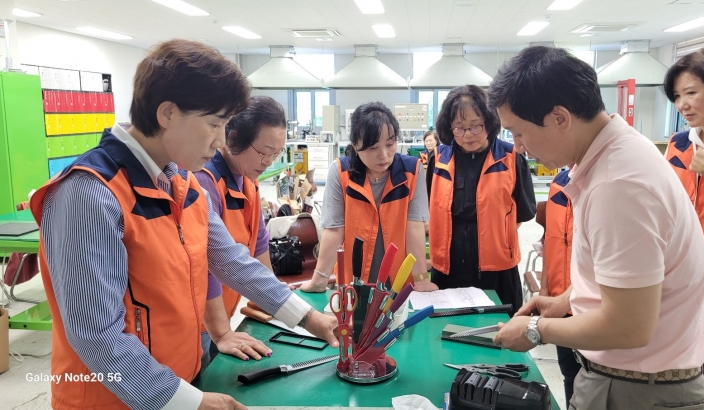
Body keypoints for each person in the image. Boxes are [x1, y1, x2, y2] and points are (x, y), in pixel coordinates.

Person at [29, 39, 338, 410]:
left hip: (177, 383)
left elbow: (232, 262)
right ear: (167, 113)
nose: (221, 141)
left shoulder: (184, 186)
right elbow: (96, 335)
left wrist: (311, 319)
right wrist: (188, 401)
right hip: (113, 400)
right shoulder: (89, 195)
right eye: (214, 124)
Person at [490, 46, 704, 410]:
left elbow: (629, 326)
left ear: (560, 118)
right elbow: (629, 273)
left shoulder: (618, 184)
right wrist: (567, 300)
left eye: (519, 133)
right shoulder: (614, 154)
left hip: (638, 392)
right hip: (635, 382)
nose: (519, 148)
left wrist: (536, 330)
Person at [193, 96, 288, 373]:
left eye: (276, 154)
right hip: (201, 320)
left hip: (224, 313)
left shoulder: (248, 178)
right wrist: (221, 332)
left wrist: (271, 296)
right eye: (264, 152)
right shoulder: (205, 181)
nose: (269, 162)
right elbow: (208, 261)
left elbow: (259, 242)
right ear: (233, 138)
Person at [299, 101, 436, 292]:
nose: (384, 155)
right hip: (353, 283)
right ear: (355, 145)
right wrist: (319, 279)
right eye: (373, 148)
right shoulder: (340, 171)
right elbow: (334, 230)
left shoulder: (412, 171)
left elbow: (414, 228)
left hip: (399, 283)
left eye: (390, 144)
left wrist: (420, 278)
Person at [428, 85, 536, 316]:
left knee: (500, 330)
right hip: (448, 269)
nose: (467, 135)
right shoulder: (438, 159)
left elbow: (521, 214)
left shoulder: (511, 158)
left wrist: (493, 239)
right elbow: (428, 209)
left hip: (497, 270)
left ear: (489, 121)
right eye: (459, 128)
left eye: (475, 126)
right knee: (445, 331)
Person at [662, 48, 704, 396]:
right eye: (677, 96)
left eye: (690, 92)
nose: (682, 104)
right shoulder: (678, 145)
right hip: (682, 281)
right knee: (682, 372)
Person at [540, 168, 581, 408]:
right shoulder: (558, 182)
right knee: (569, 373)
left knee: (591, 378)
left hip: (589, 306)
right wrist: (544, 290)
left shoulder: (603, 184)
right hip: (559, 302)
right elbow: (550, 239)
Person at [421, 130, 439, 200]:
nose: (428, 143)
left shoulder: (440, 154)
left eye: (431, 140)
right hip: (424, 184)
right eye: (426, 141)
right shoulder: (421, 155)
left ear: (436, 141)